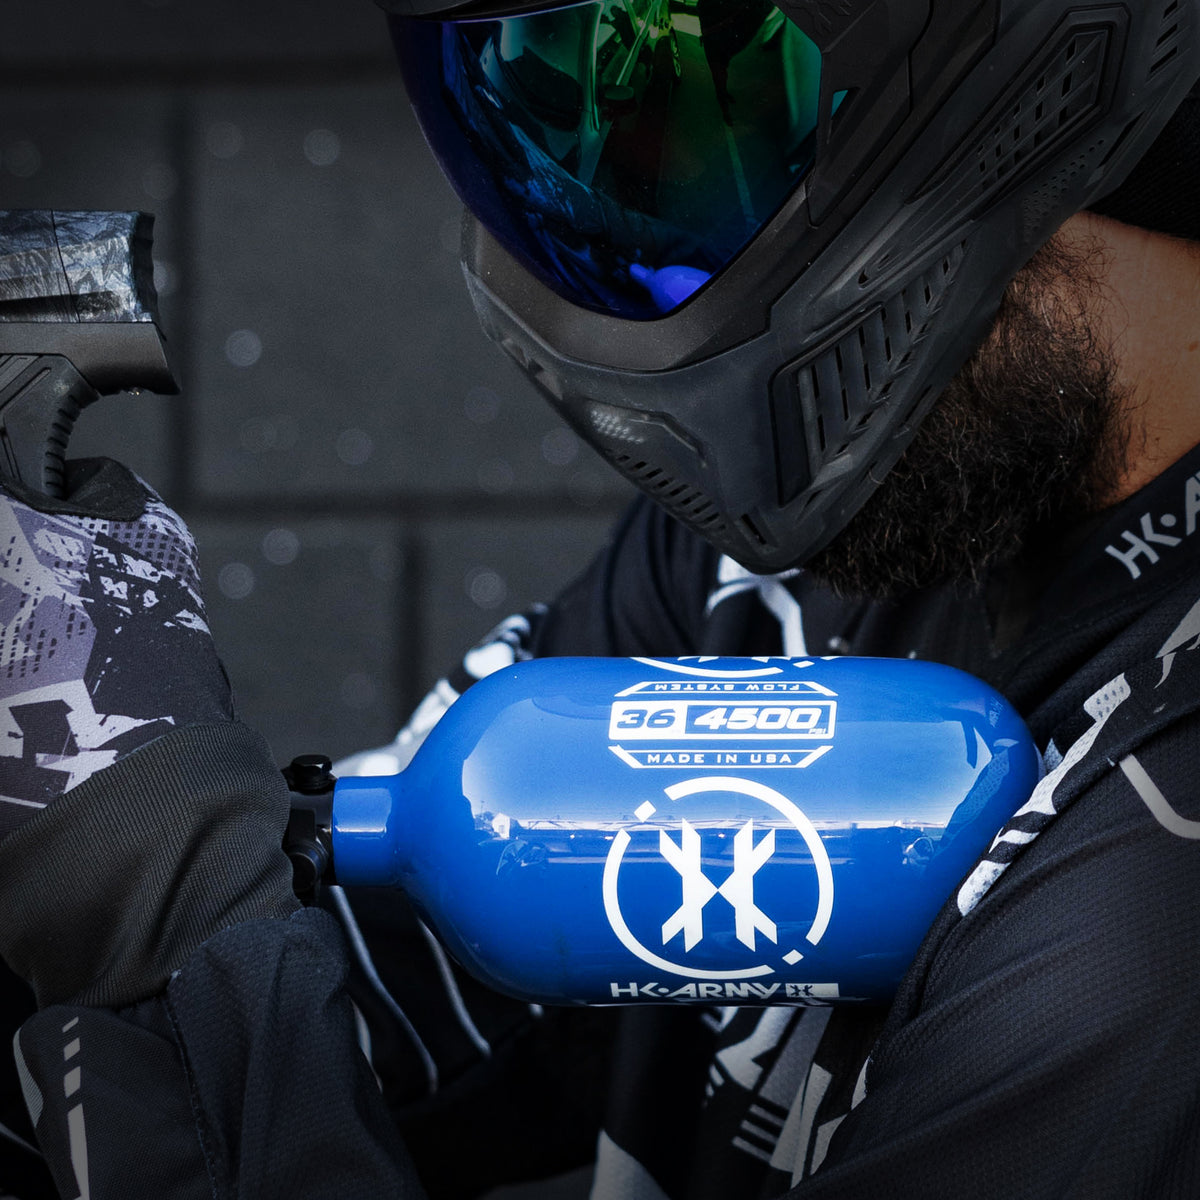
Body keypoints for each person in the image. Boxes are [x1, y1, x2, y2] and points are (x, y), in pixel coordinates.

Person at [3, 0, 1200, 1196]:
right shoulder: (842, 531)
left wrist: (152, 907)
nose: (622, 193)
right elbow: (359, 985)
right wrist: (114, 861)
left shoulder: (1153, 920)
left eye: (693, 97)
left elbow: (216, 1000)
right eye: (552, 89)